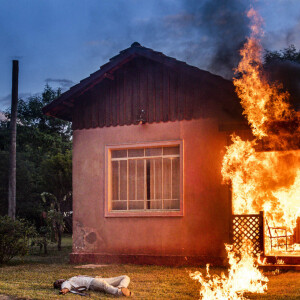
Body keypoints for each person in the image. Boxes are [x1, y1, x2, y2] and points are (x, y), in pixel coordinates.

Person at [53, 274, 132, 297]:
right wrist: (64, 290)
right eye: (58, 282)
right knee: (104, 285)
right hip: (92, 283)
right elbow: (66, 287)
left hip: (98, 279)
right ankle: (119, 292)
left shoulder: (72, 278)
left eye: (58, 280)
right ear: (59, 285)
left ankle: (121, 287)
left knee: (125, 277)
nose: (59, 281)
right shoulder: (66, 282)